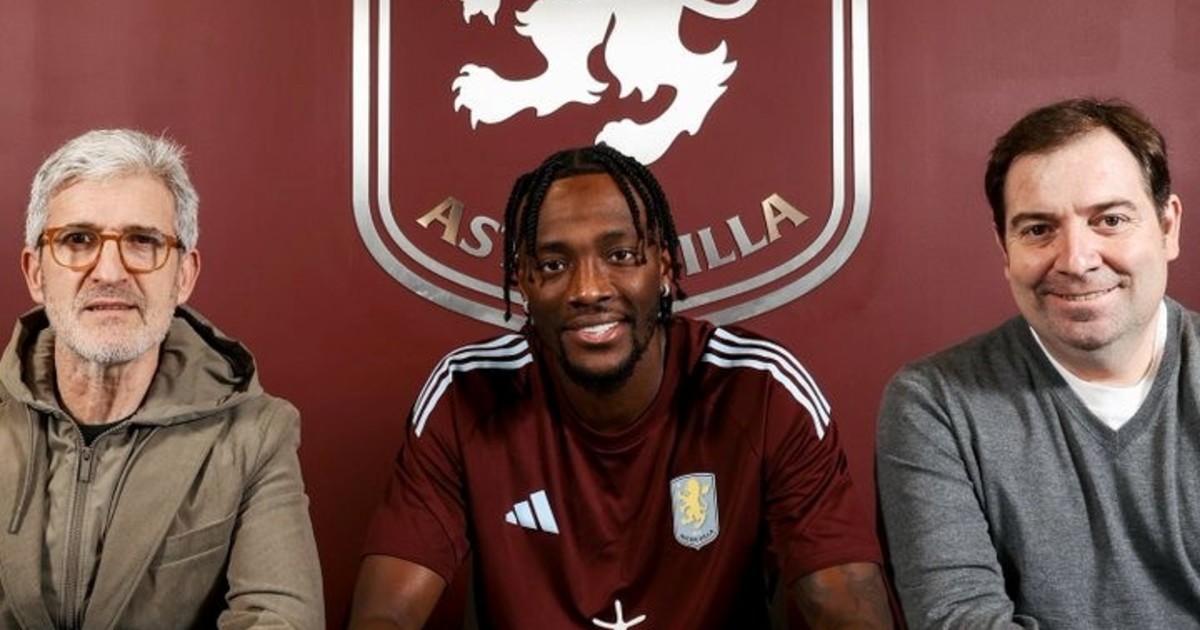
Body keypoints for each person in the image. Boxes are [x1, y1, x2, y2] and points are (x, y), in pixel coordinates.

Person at [349, 145, 893, 628]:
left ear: (664, 268)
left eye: (621, 256)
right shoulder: (467, 392)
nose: (588, 289)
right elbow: (386, 614)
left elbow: (846, 605)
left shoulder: (759, 388)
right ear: (525, 283)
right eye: (554, 263)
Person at [877, 98, 1198, 628]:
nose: (1076, 260)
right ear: (1005, 251)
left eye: (1110, 220)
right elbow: (959, 619)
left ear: (1168, 228)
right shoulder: (936, 404)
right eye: (1037, 229)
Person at [0, 129, 324, 628]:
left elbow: (280, 620)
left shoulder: (256, 435)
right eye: (78, 240)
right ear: (36, 273)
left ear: (184, 276)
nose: (110, 272)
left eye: (142, 241)